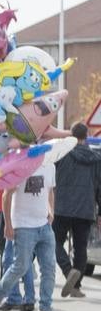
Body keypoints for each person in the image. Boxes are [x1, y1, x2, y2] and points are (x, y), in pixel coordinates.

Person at [0, 157, 61, 311]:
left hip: (44, 224)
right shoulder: (22, 165)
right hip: (23, 225)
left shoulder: (50, 165)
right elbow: (7, 195)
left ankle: (45, 308)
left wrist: (52, 212)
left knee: (49, 267)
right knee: (20, 266)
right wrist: (8, 225)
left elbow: (50, 191)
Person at [52, 122, 101, 297]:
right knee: (81, 248)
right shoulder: (96, 159)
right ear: (86, 136)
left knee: (54, 242)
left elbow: (51, 180)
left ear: (70, 136)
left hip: (62, 207)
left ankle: (67, 270)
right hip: (86, 209)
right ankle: (76, 285)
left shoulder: (61, 154)